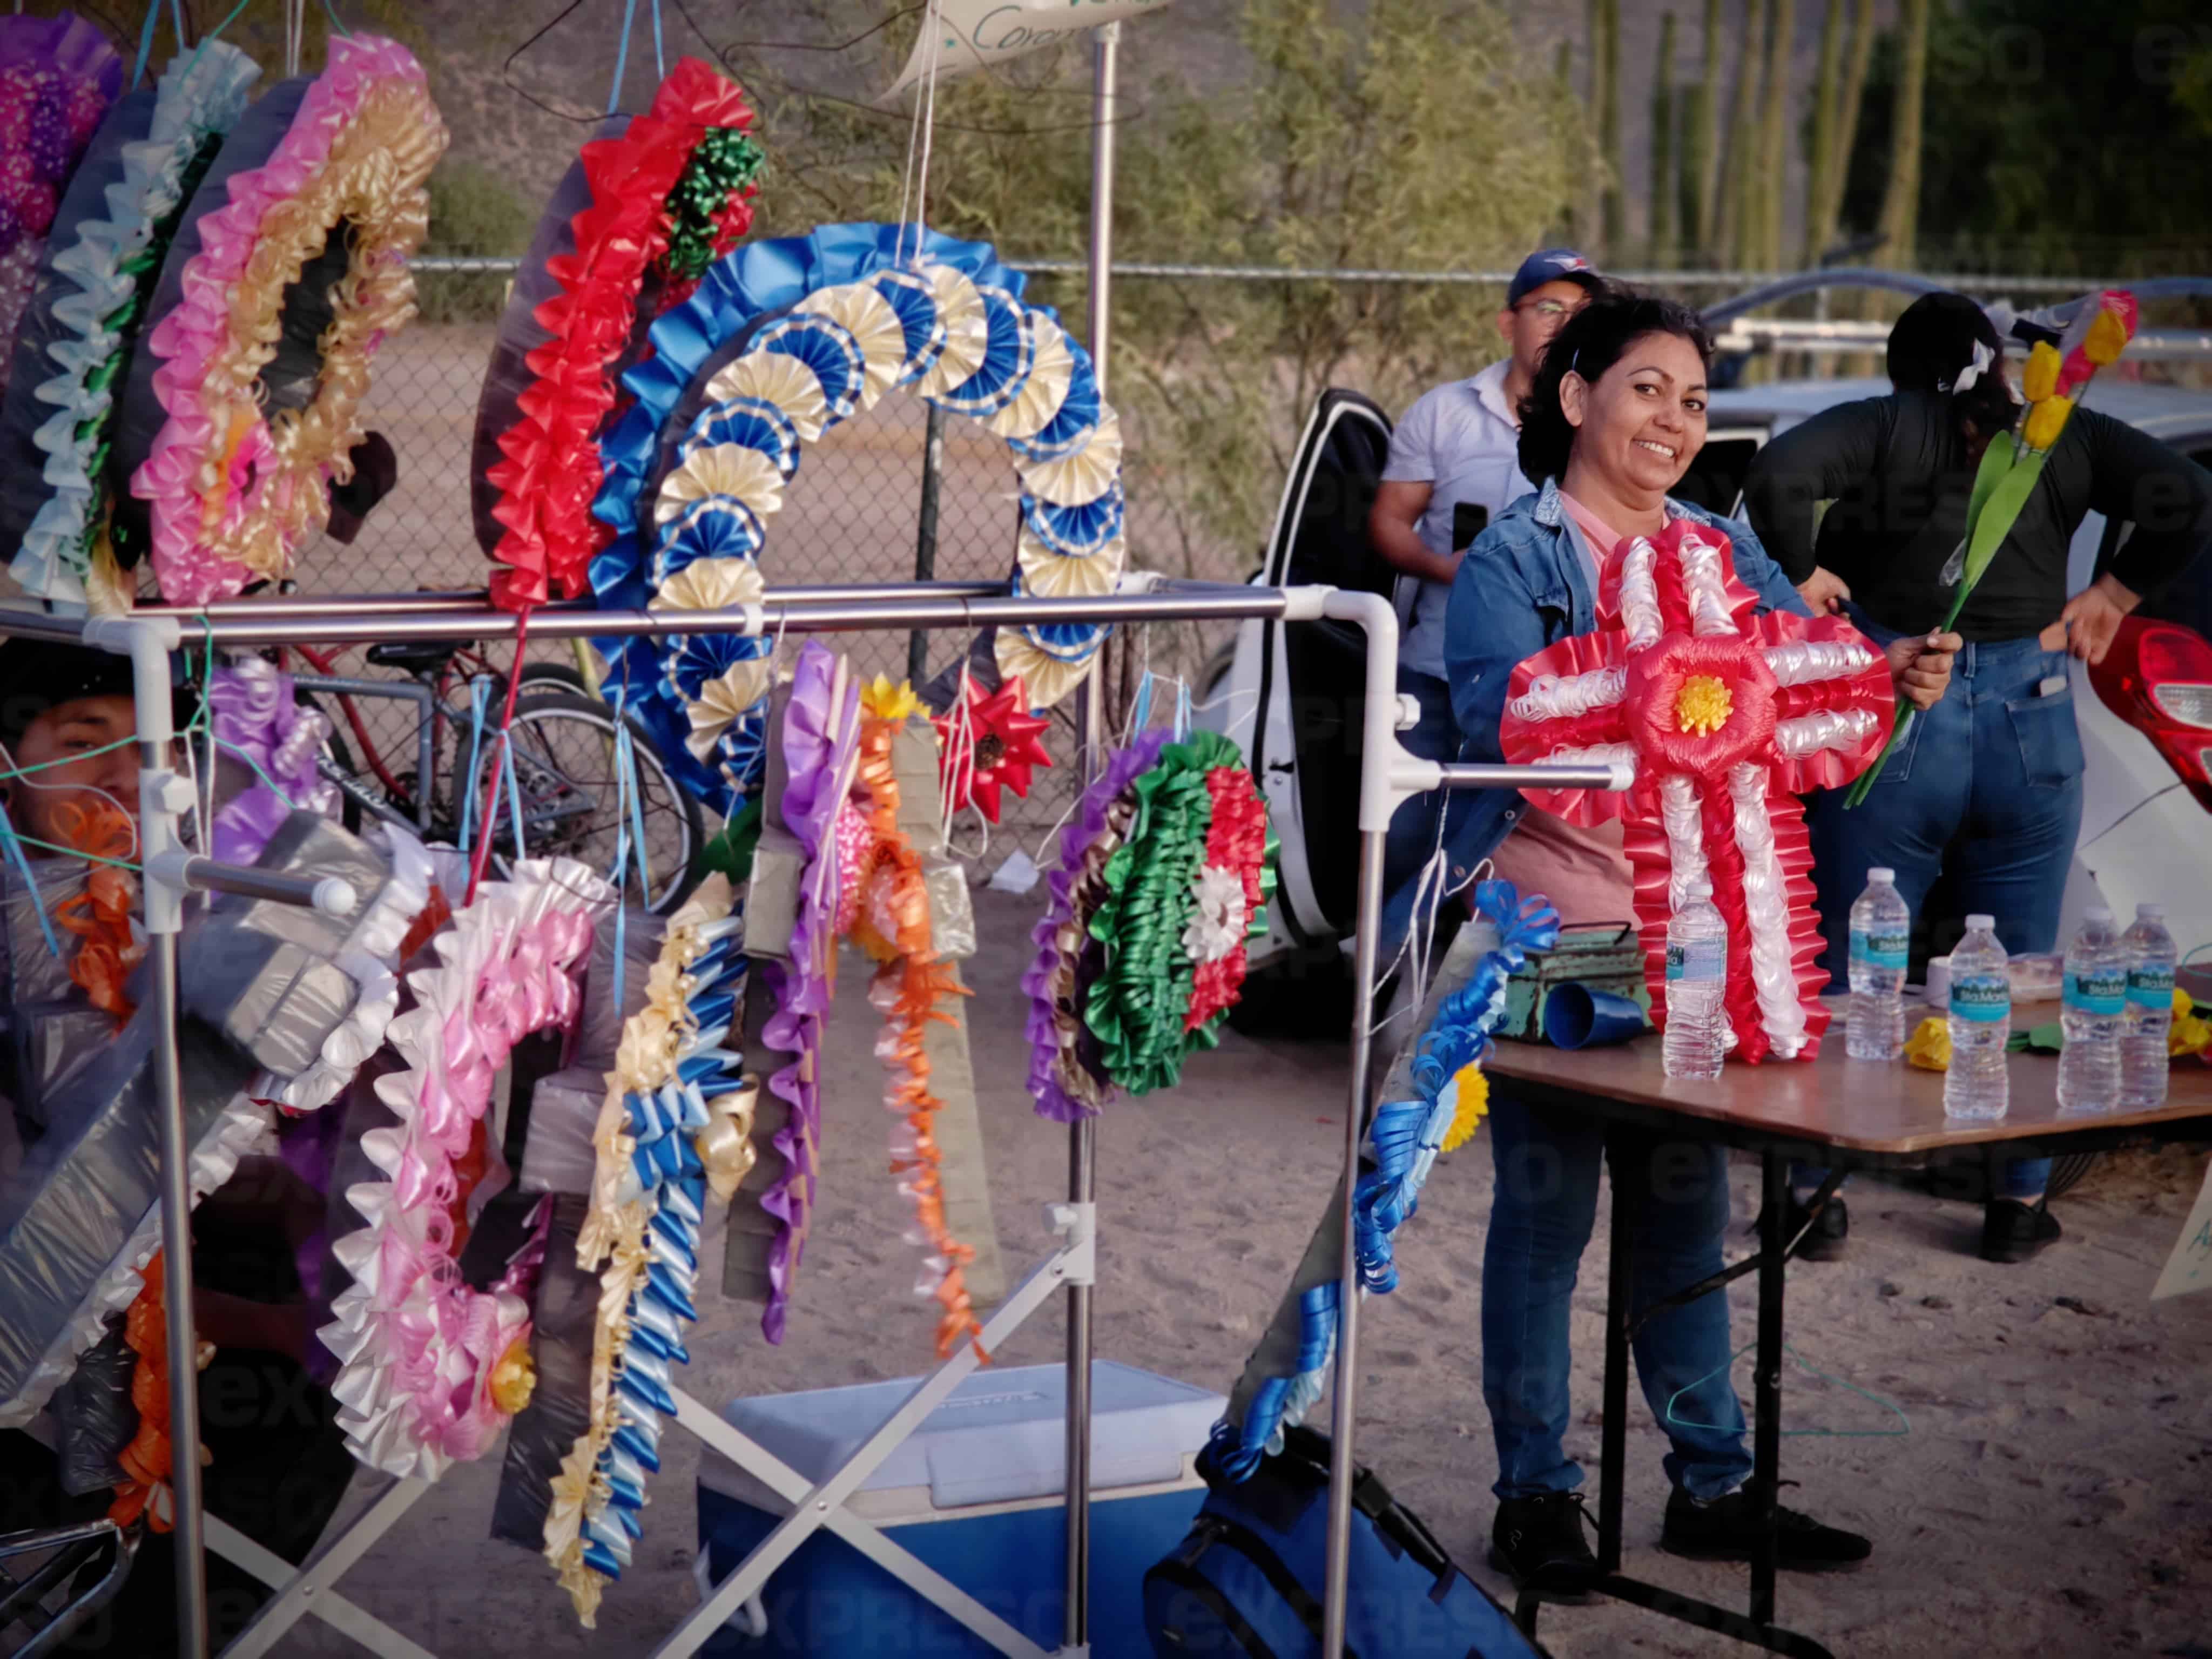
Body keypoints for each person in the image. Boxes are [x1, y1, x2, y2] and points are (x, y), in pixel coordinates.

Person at [1442, 293, 1960, 1595]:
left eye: (1691, 400)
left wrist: (1878, 678)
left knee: (1682, 1220)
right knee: (1545, 1223)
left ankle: (1713, 1490)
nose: (1674, 422)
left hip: (1702, 951)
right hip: (1562, 948)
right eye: (1645, 391)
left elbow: (1804, 679)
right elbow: (1501, 743)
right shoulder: (1514, 560)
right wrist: (1664, 700)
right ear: (1575, 400)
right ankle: (1535, 1499)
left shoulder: (1720, 553)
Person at [1742, 292, 2212, 1265]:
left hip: (1899, 701)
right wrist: (2115, 595)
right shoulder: (2058, 431)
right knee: (2026, 966)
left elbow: (1780, 470)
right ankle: (2018, 1200)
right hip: (2032, 715)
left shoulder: (1885, 424)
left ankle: (1813, 1197)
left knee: (1847, 957)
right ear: (1999, 362)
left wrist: (1800, 580)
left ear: (1901, 368)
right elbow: (2187, 494)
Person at [1370, 248, 1603, 954]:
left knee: (1506, 864)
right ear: (1508, 321)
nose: (1564, 326)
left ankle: (1482, 1019)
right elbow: (1387, 522)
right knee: (1406, 845)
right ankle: (1380, 1014)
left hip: (1554, 698)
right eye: (1548, 309)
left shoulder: (1601, 419)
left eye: (1581, 315)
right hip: (1435, 678)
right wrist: (1449, 569)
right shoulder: (1445, 414)